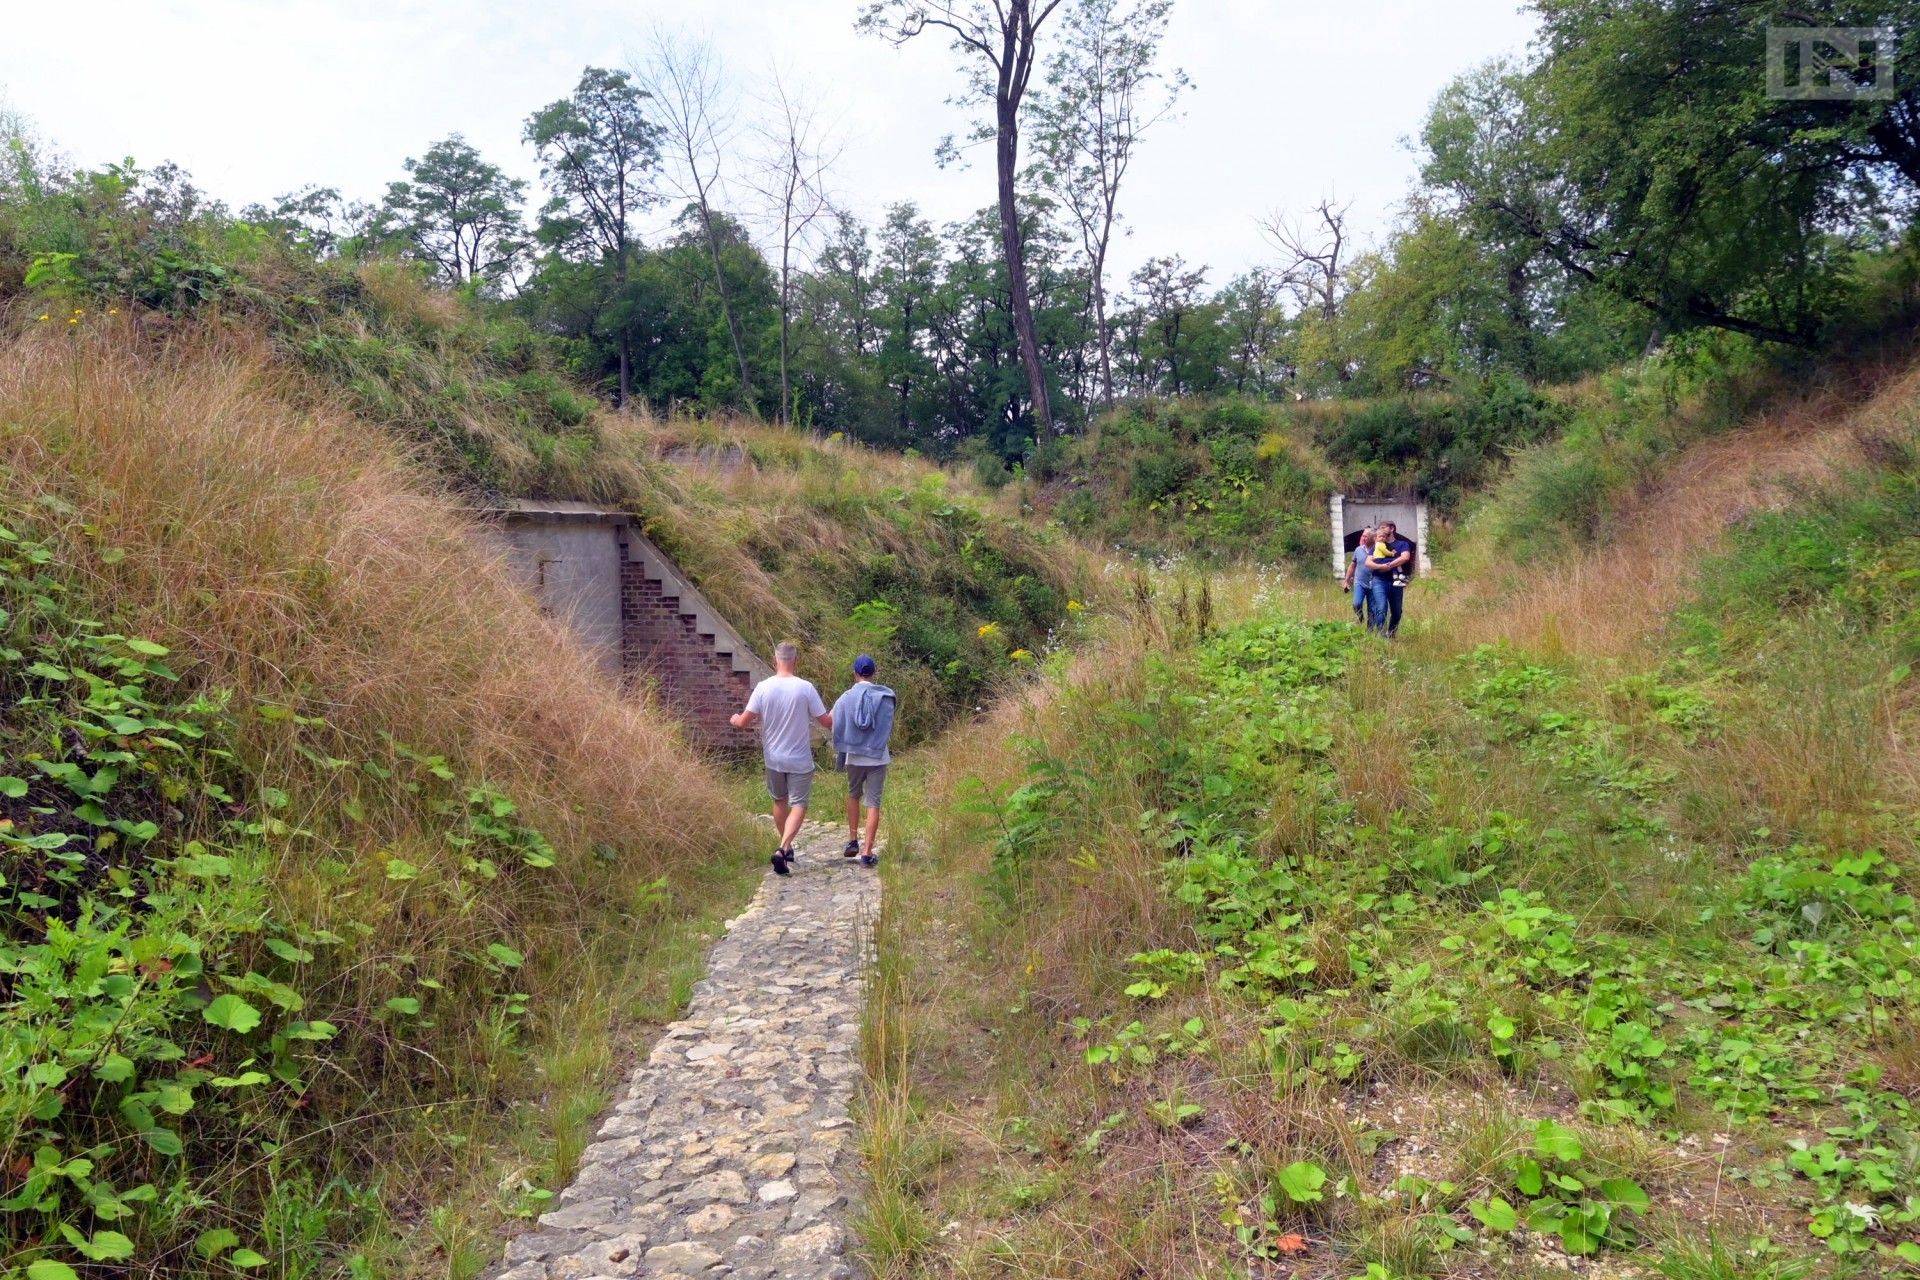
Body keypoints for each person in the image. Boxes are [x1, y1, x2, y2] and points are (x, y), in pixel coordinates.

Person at [730, 641, 832, 876]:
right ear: (795, 661)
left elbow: (744, 722)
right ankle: (784, 847)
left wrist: (735, 718)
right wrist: (835, 714)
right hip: (799, 759)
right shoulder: (805, 688)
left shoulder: (763, 688)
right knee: (799, 804)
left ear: (775, 660)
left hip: (773, 758)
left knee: (779, 801)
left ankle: (786, 847)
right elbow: (826, 722)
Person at [830, 654, 897, 870]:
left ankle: (852, 839)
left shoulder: (845, 697)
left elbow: (832, 719)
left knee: (853, 794)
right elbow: (887, 723)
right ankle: (867, 852)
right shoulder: (885, 695)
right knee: (873, 802)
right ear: (874, 673)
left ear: (855, 673)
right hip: (878, 755)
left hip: (853, 756)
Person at [1365, 520, 1416, 637]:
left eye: (1384, 527)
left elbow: (1405, 557)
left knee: (1397, 612)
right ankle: (1381, 636)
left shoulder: (1402, 544)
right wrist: (1380, 566)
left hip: (1396, 582)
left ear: (1392, 529)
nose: (1381, 530)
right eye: (1380, 528)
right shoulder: (1377, 545)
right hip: (1379, 580)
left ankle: (1391, 634)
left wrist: (1388, 566)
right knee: (1381, 608)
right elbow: (1368, 562)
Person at [1343, 524, 1376, 624]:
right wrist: (1346, 581)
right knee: (1356, 603)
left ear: (1372, 538)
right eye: (1363, 536)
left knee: (1372, 609)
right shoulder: (1358, 550)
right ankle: (1360, 617)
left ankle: (1370, 630)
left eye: (1366, 536)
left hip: (1373, 583)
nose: (1363, 538)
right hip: (1359, 582)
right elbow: (1352, 566)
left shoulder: (1377, 550)